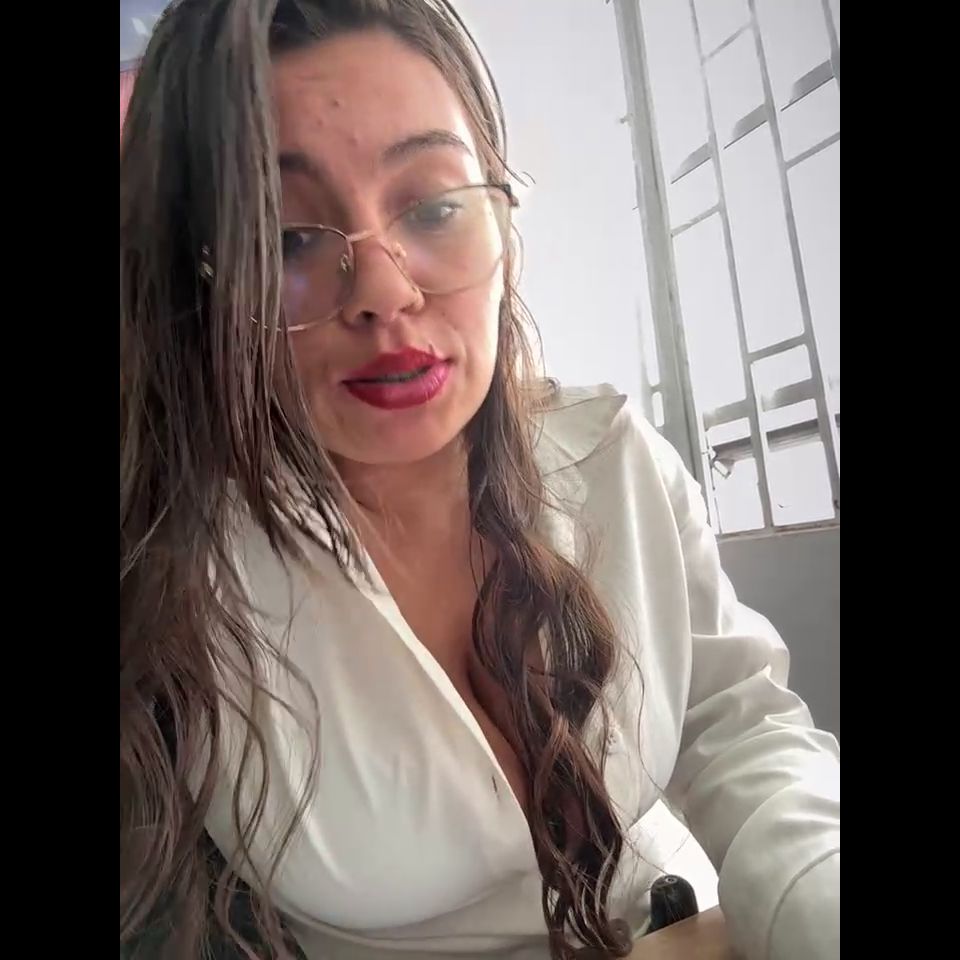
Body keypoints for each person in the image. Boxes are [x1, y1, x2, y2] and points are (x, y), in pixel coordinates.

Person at [119, 2, 840, 958]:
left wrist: (815, 902)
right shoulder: (173, 572)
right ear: (201, 280)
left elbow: (739, 727)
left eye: (431, 208)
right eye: (287, 238)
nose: (386, 291)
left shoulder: (609, 456)